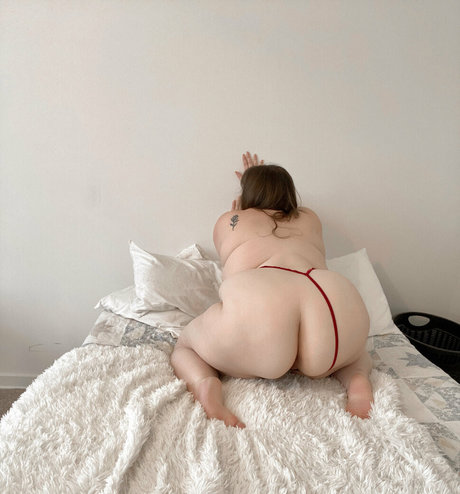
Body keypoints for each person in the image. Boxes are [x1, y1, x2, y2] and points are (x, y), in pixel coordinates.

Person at [170, 152, 373, 428]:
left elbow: (236, 232)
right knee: (356, 353)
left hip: (264, 302)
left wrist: (244, 197)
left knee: (186, 346)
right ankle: (357, 381)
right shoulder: (311, 219)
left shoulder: (230, 220)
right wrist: (265, 182)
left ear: (245, 197)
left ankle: (205, 384)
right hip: (332, 298)